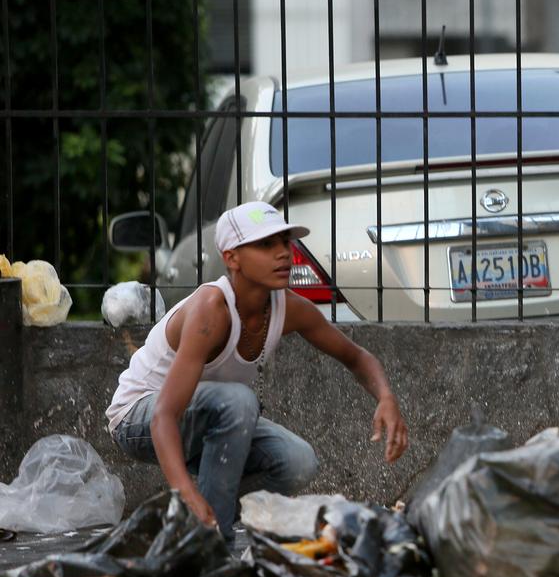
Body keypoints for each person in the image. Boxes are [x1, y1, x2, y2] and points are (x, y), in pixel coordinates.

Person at [105, 201, 409, 536]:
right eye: (266, 245)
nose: (283, 254)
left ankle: (199, 526)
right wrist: (185, 492)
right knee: (238, 401)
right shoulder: (211, 311)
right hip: (138, 418)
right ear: (231, 258)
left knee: (297, 461)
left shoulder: (288, 309)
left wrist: (386, 397)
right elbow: (164, 415)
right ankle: (209, 537)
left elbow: (357, 357)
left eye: (284, 243)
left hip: (206, 416)